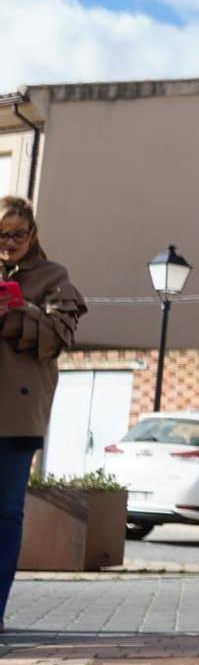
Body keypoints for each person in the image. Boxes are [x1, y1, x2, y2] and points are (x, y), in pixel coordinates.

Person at [0, 197, 86, 631]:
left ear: (32, 235)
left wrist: (18, 311)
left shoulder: (55, 278)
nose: (9, 243)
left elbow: (57, 337)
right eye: (2, 234)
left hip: (17, 414)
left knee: (6, 511)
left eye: (18, 233)